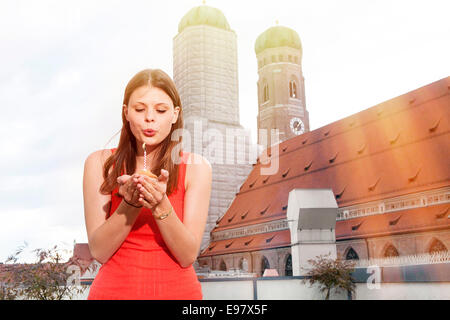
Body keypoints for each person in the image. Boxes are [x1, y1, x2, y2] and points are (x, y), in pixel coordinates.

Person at [83, 69, 212, 299]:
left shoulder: (197, 167)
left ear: (174, 114)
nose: (149, 118)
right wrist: (130, 205)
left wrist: (160, 205)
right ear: (126, 113)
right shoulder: (99, 163)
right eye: (140, 109)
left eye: (160, 110)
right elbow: (99, 251)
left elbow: (187, 255)